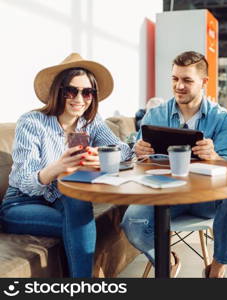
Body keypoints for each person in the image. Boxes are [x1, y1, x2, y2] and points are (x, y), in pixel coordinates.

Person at [0, 53, 132, 277]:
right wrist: (57, 168)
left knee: (78, 203)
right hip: (21, 203)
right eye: (72, 91)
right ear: (58, 92)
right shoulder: (31, 122)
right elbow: (24, 180)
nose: (80, 99)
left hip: (64, 198)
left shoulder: (90, 123)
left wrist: (102, 155)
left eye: (87, 92)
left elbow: (124, 150)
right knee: (81, 224)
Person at [121, 51, 227, 278]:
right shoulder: (154, 115)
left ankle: (217, 269)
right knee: (132, 222)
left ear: (204, 82)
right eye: (175, 79)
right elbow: (138, 163)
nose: (179, 86)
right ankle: (166, 261)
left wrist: (215, 155)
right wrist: (139, 152)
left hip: (206, 199)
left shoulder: (223, 119)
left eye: (187, 80)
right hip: (165, 197)